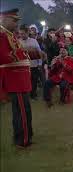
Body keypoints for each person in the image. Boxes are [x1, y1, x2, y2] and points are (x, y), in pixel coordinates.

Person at [0, 8, 33, 147]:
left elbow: (20, 54)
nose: (16, 24)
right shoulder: (2, 36)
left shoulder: (10, 35)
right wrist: (22, 51)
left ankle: (24, 136)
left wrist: (35, 53)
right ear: (5, 19)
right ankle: (23, 140)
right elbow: (3, 57)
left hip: (21, 78)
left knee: (23, 110)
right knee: (21, 111)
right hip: (15, 79)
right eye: (14, 21)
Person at [18, 25, 43, 100]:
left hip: (34, 65)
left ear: (27, 33)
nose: (21, 35)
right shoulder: (18, 42)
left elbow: (39, 53)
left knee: (34, 80)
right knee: (24, 81)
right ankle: (25, 96)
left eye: (23, 33)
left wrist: (39, 63)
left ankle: (33, 95)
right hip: (23, 65)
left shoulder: (33, 41)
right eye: (20, 33)